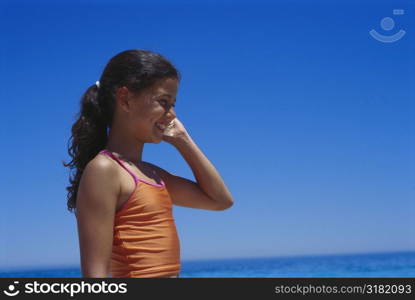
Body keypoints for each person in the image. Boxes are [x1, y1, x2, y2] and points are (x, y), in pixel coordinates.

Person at [63, 49, 234, 278]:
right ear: (125, 99)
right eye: (164, 102)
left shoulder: (153, 175)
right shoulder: (105, 170)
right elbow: (96, 276)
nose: (172, 114)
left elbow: (220, 200)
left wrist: (183, 141)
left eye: (173, 104)